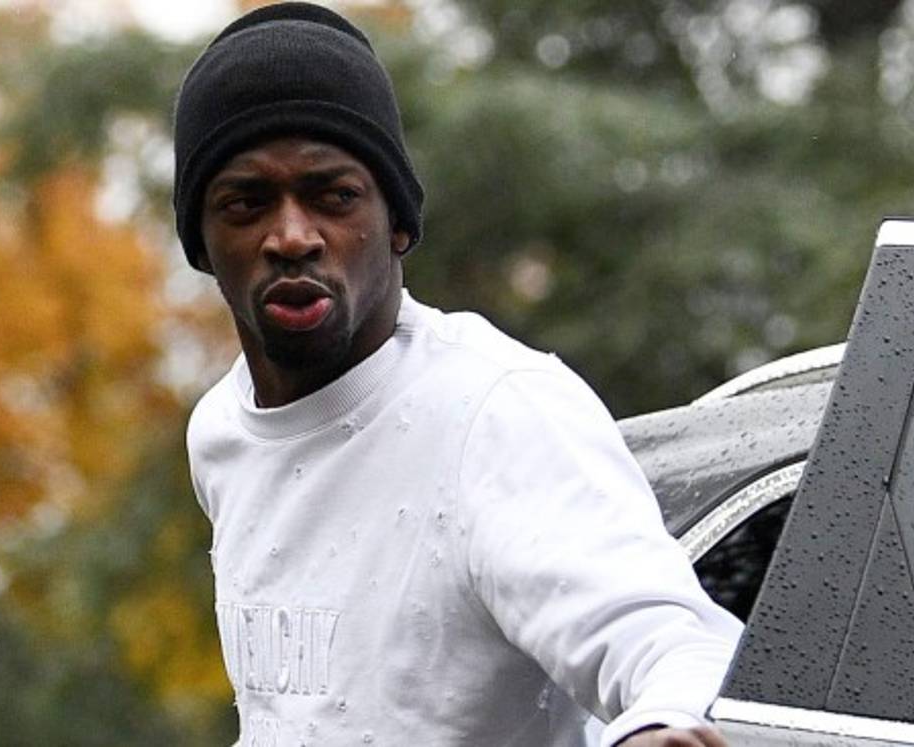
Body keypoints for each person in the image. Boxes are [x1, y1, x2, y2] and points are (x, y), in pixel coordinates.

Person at [173, 4, 741, 745]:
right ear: (202, 242)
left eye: (333, 195)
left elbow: (681, 645)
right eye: (246, 202)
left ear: (398, 223)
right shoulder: (220, 431)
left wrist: (661, 725)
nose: (292, 235)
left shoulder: (496, 411)